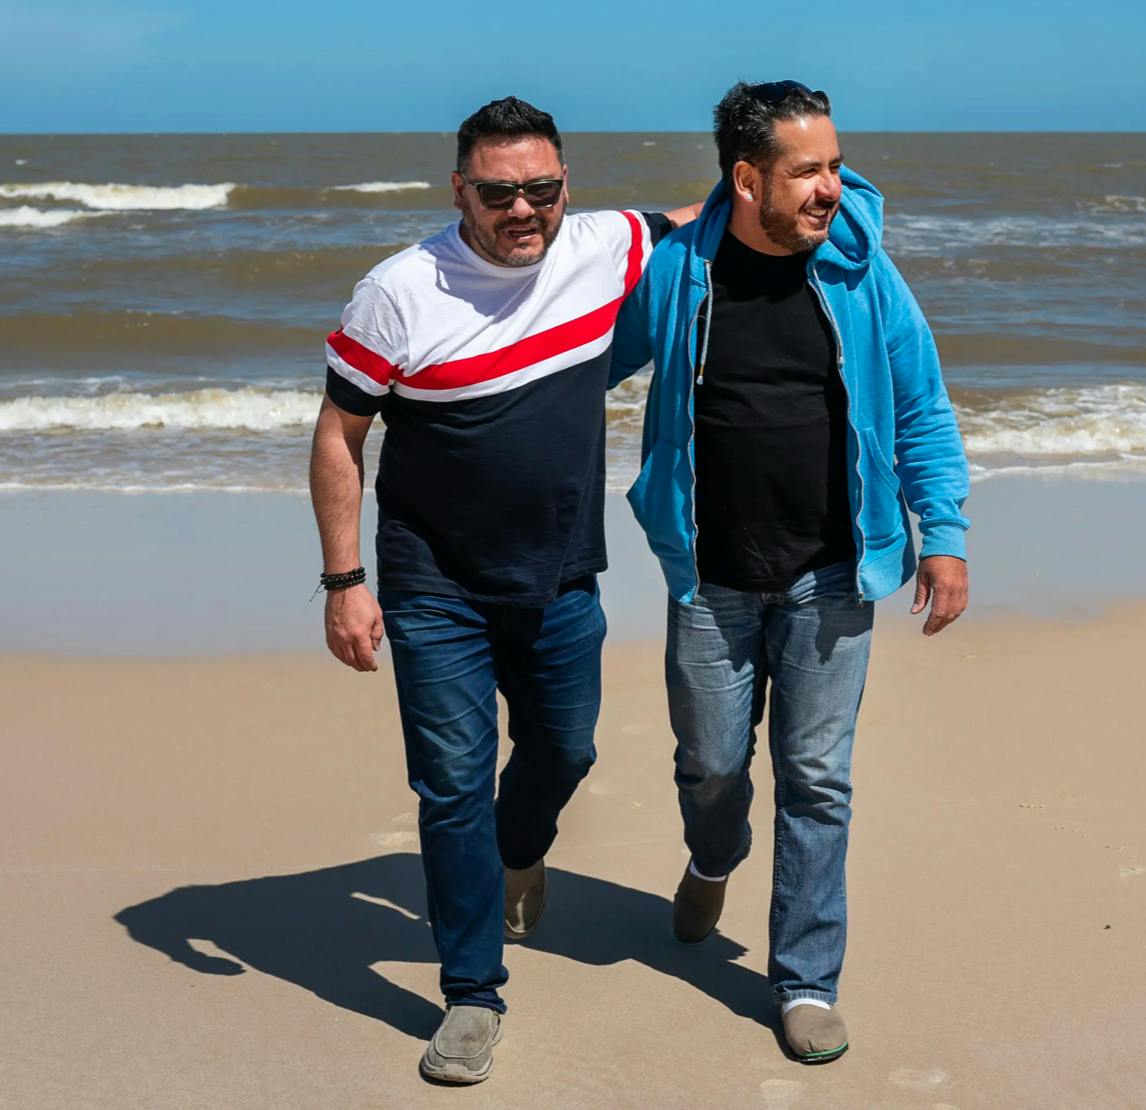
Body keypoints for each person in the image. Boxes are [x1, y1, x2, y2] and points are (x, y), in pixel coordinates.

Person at [310, 95, 695, 1085]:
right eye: (498, 193)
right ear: (460, 191)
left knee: (566, 747)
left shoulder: (606, 244)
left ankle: (521, 850)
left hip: (563, 576)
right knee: (449, 789)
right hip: (435, 585)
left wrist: (823, 177)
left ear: (567, 182)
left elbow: (718, 216)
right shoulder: (398, 292)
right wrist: (344, 580)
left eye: (542, 188)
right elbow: (339, 437)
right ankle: (471, 995)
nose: (522, 209)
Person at [611, 79, 971, 1064]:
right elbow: (581, 361)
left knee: (817, 780)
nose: (832, 188)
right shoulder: (679, 271)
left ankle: (806, 981)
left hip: (832, 576)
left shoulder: (862, 271)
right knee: (714, 763)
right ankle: (713, 856)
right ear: (746, 178)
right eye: (808, 170)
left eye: (836, 165)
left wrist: (943, 533)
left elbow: (923, 404)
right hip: (710, 580)